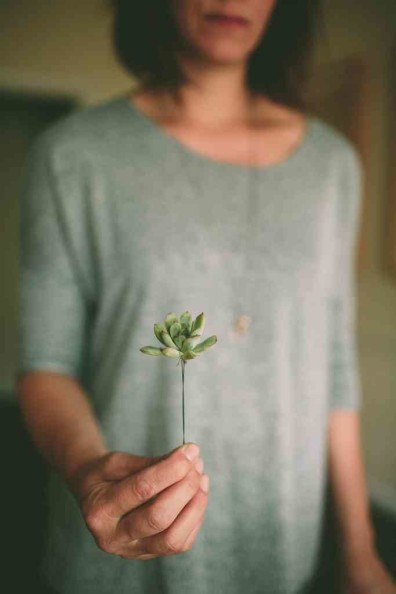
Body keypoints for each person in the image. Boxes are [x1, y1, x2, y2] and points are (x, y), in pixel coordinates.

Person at [15, 1, 396, 593]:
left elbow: (334, 367)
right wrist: (91, 470)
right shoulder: (74, 156)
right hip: (122, 552)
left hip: (279, 544)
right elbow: (46, 364)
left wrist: (358, 549)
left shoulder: (332, 167)